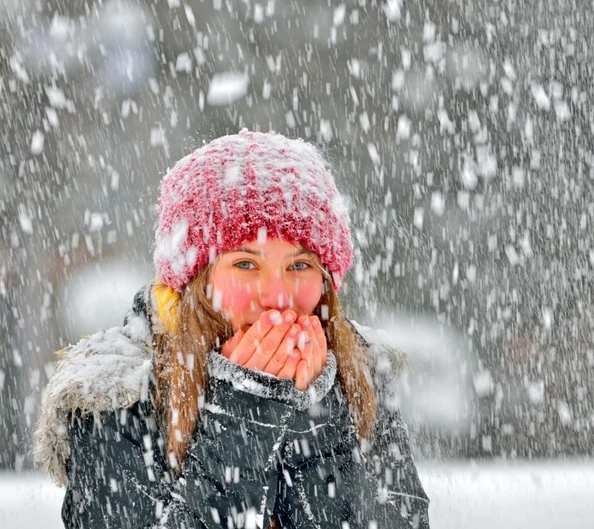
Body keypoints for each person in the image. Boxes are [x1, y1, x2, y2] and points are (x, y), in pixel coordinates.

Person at [34, 130, 430, 529]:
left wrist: (315, 415)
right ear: (195, 282)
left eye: (299, 265)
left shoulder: (358, 374)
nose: (278, 297)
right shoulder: (117, 397)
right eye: (245, 264)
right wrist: (243, 416)